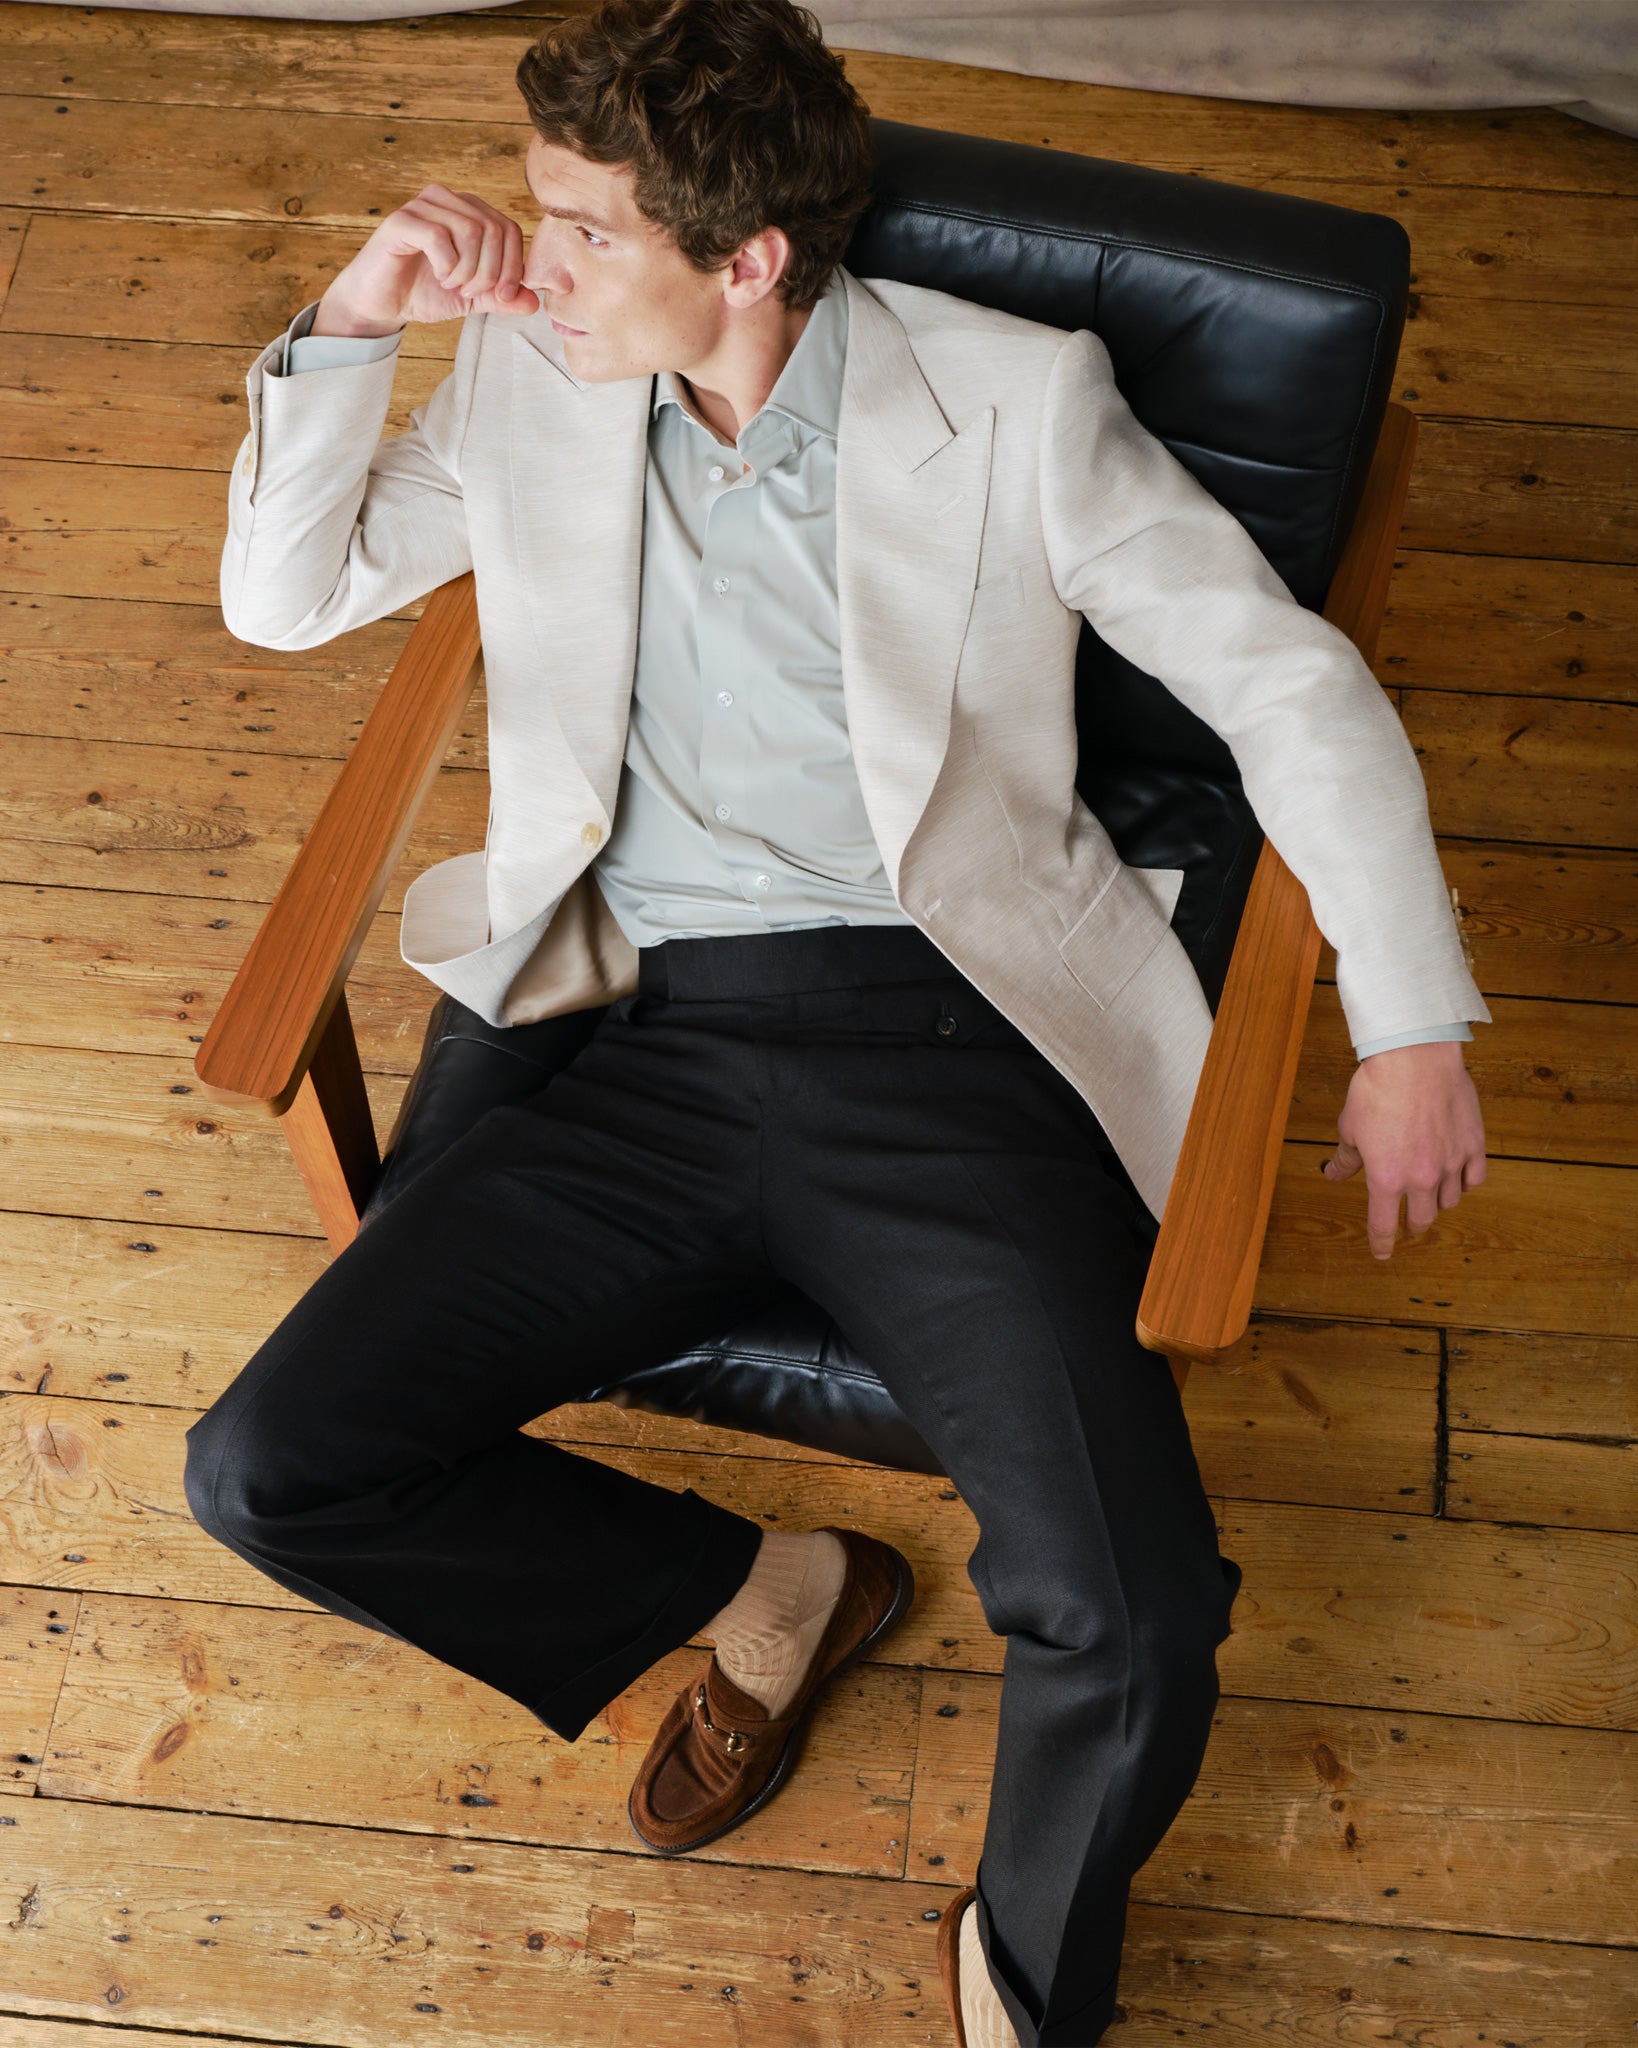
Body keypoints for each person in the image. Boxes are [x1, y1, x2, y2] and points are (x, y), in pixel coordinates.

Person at [184, 0, 1490, 2040]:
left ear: (752, 258)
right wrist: (357, 317)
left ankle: (1024, 1989)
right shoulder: (532, 370)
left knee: (1136, 1613)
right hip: (637, 1041)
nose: (529, 263)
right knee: (270, 1467)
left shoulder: (1015, 401)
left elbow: (1286, 686)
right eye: (536, 213)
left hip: (945, 1044)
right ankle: (761, 1588)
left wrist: (1410, 1026)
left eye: (583, 230)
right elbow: (284, 600)